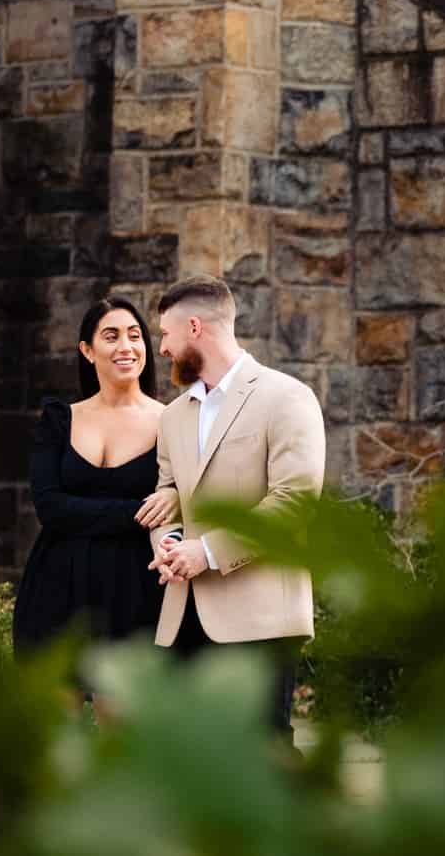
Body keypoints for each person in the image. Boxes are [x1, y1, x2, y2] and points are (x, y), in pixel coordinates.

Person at [146, 276, 326, 739]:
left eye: (165, 334)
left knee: (265, 756)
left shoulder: (286, 397)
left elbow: (294, 501)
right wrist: (168, 545)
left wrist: (205, 552)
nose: (161, 348)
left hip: (261, 614)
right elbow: (167, 496)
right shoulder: (171, 417)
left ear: (193, 327)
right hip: (184, 616)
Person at [12, 296, 177, 708]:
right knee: (53, 734)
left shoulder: (174, 421)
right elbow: (50, 507)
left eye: (135, 335)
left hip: (134, 588)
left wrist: (173, 497)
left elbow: (194, 494)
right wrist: (137, 512)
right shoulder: (58, 419)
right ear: (87, 350)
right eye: (111, 336)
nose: (126, 346)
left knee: (120, 733)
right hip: (56, 586)